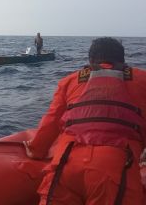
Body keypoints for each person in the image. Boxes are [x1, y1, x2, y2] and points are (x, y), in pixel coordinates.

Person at [26, 37, 146, 205]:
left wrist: (36, 150)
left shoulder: (69, 81)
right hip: (116, 167)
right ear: (123, 60)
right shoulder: (142, 80)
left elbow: (52, 120)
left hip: (65, 163)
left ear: (90, 61)